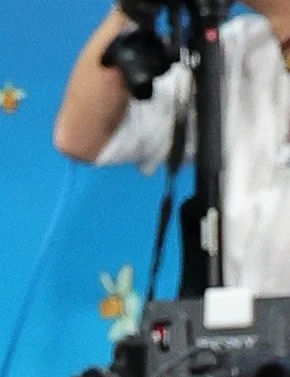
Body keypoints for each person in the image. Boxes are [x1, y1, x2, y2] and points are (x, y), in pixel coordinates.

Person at [56, 3, 290, 290]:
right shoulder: (234, 48)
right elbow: (82, 137)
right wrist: (132, 12)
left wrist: (282, 14)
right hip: (244, 329)